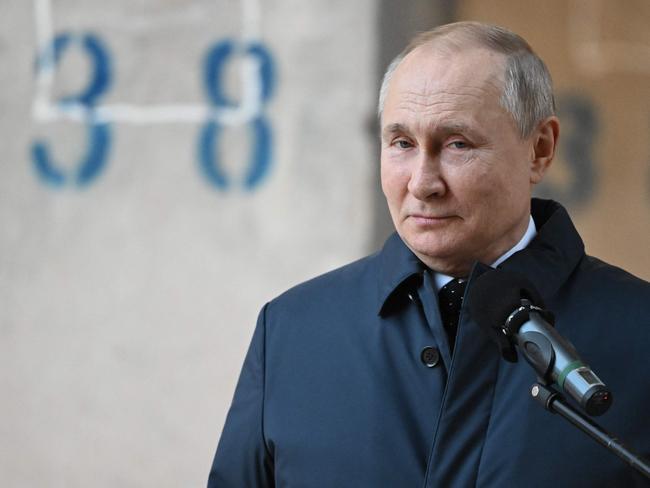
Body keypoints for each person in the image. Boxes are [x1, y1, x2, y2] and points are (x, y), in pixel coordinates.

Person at [207, 21, 650, 487]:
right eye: (402, 144)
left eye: (457, 144)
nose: (422, 183)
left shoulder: (640, 331)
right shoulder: (292, 331)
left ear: (540, 150)